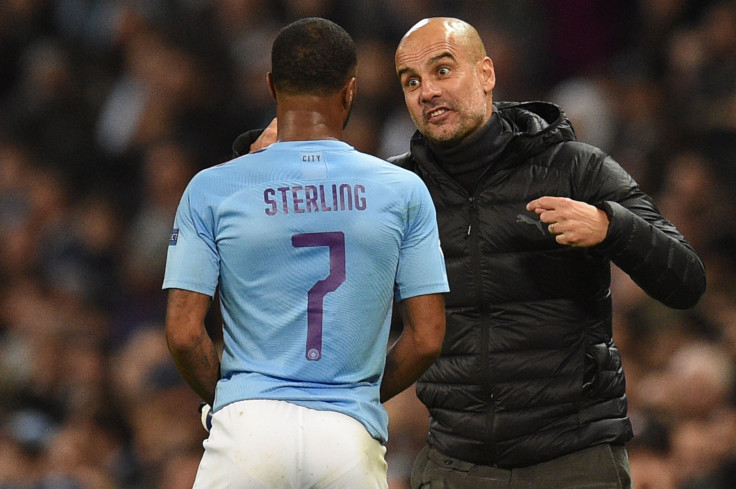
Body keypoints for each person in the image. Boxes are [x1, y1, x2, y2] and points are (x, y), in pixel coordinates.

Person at [238, 16, 707, 489]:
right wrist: (266, 171)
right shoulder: (390, 192)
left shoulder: (575, 168)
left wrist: (611, 225)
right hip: (456, 463)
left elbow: (687, 281)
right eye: (411, 81)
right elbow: (286, 272)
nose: (427, 91)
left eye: (443, 71)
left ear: (486, 74)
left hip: (574, 460)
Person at [162, 17, 449, 489]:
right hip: (348, 436)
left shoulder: (212, 188)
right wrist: (358, 397)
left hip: (247, 430)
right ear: (350, 90)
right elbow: (428, 336)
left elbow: (182, 331)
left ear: (272, 86)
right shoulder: (404, 192)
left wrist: (233, 397)